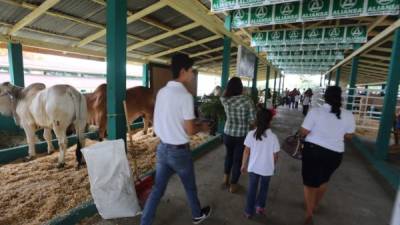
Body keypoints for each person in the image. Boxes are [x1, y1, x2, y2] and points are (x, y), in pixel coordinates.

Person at [140, 54, 211, 225]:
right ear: (183, 71)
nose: (192, 74)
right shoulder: (185, 96)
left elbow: (158, 121)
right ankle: (196, 215)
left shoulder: (162, 93)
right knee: (189, 187)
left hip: (162, 149)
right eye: (191, 70)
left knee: (157, 189)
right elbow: (190, 129)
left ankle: (145, 222)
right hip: (179, 152)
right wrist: (203, 127)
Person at [299, 86, 356, 225]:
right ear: (340, 98)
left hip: (313, 151)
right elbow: (349, 136)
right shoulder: (348, 114)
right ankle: (316, 205)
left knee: (309, 183)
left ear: (325, 97)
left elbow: (304, 132)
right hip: (335, 154)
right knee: (323, 181)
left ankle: (309, 212)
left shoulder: (315, 112)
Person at [241, 108, 280, 218]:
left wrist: (243, 164)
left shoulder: (251, 134)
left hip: (253, 168)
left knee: (252, 189)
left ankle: (248, 212)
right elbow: (275, 156)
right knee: (264, 188)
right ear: (270, 121)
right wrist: (273, 166)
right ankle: (260, 207)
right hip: (267, 170)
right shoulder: (273, 137)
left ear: (256, 120)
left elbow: (246, 151)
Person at [220, 77, 256, 193]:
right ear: (241, 87)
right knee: (237, 160)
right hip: (241, 135)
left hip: (227, 133)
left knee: (228, 156)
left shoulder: (224, 99)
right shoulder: (247, 100)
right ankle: (233, 185)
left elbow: (224, 93)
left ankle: (225, 179)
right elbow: (252, 121)